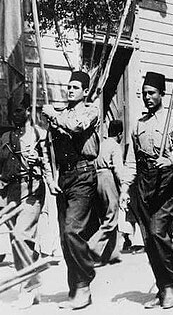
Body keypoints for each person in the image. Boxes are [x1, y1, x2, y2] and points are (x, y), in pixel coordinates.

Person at [119, 72, 173, 309]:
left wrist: (169, 161)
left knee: (158, 232)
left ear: (162, 94)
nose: (147, 97)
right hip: (144, 184)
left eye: (152, 93)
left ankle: (170, 281)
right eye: (144, 93)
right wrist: (125, 188)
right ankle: (164, 286)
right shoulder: (139, 125)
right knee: (149, 240)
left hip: (166, 183)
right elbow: (131, 161)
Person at [42, 71, 99, 309]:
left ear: (85, 91)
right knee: (66, 240)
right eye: (69, 86)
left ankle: (84, 283)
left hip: (84, 175)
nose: (71, 90)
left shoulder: (90, 110)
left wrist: (53, 116)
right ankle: (75, 289)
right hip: (63, 178)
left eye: (76, 87)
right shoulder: (59, 114)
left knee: (72, 231)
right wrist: (49, 177)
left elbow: (77, 127)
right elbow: (46, 148)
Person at [0, 93, 51, 308]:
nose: (15, 115)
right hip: (10, 192)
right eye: (13, 111)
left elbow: (51, 163)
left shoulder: (39, 134)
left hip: (32, 189)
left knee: (21, 237)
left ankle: (30, 287)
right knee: (17, 241)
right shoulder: (4, 138)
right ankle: (31, 286)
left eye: (19, 110)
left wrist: (38, 159)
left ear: (29, 111)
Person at [89, 119, 123, 268]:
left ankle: (111, 254)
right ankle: (92, 246)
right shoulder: (115, 146)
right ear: (120, 134)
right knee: (112, 216)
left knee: (104, 215)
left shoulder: (101, 144)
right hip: (108, 178)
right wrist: (124, 187)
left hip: (96, 178)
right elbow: (118, 169)